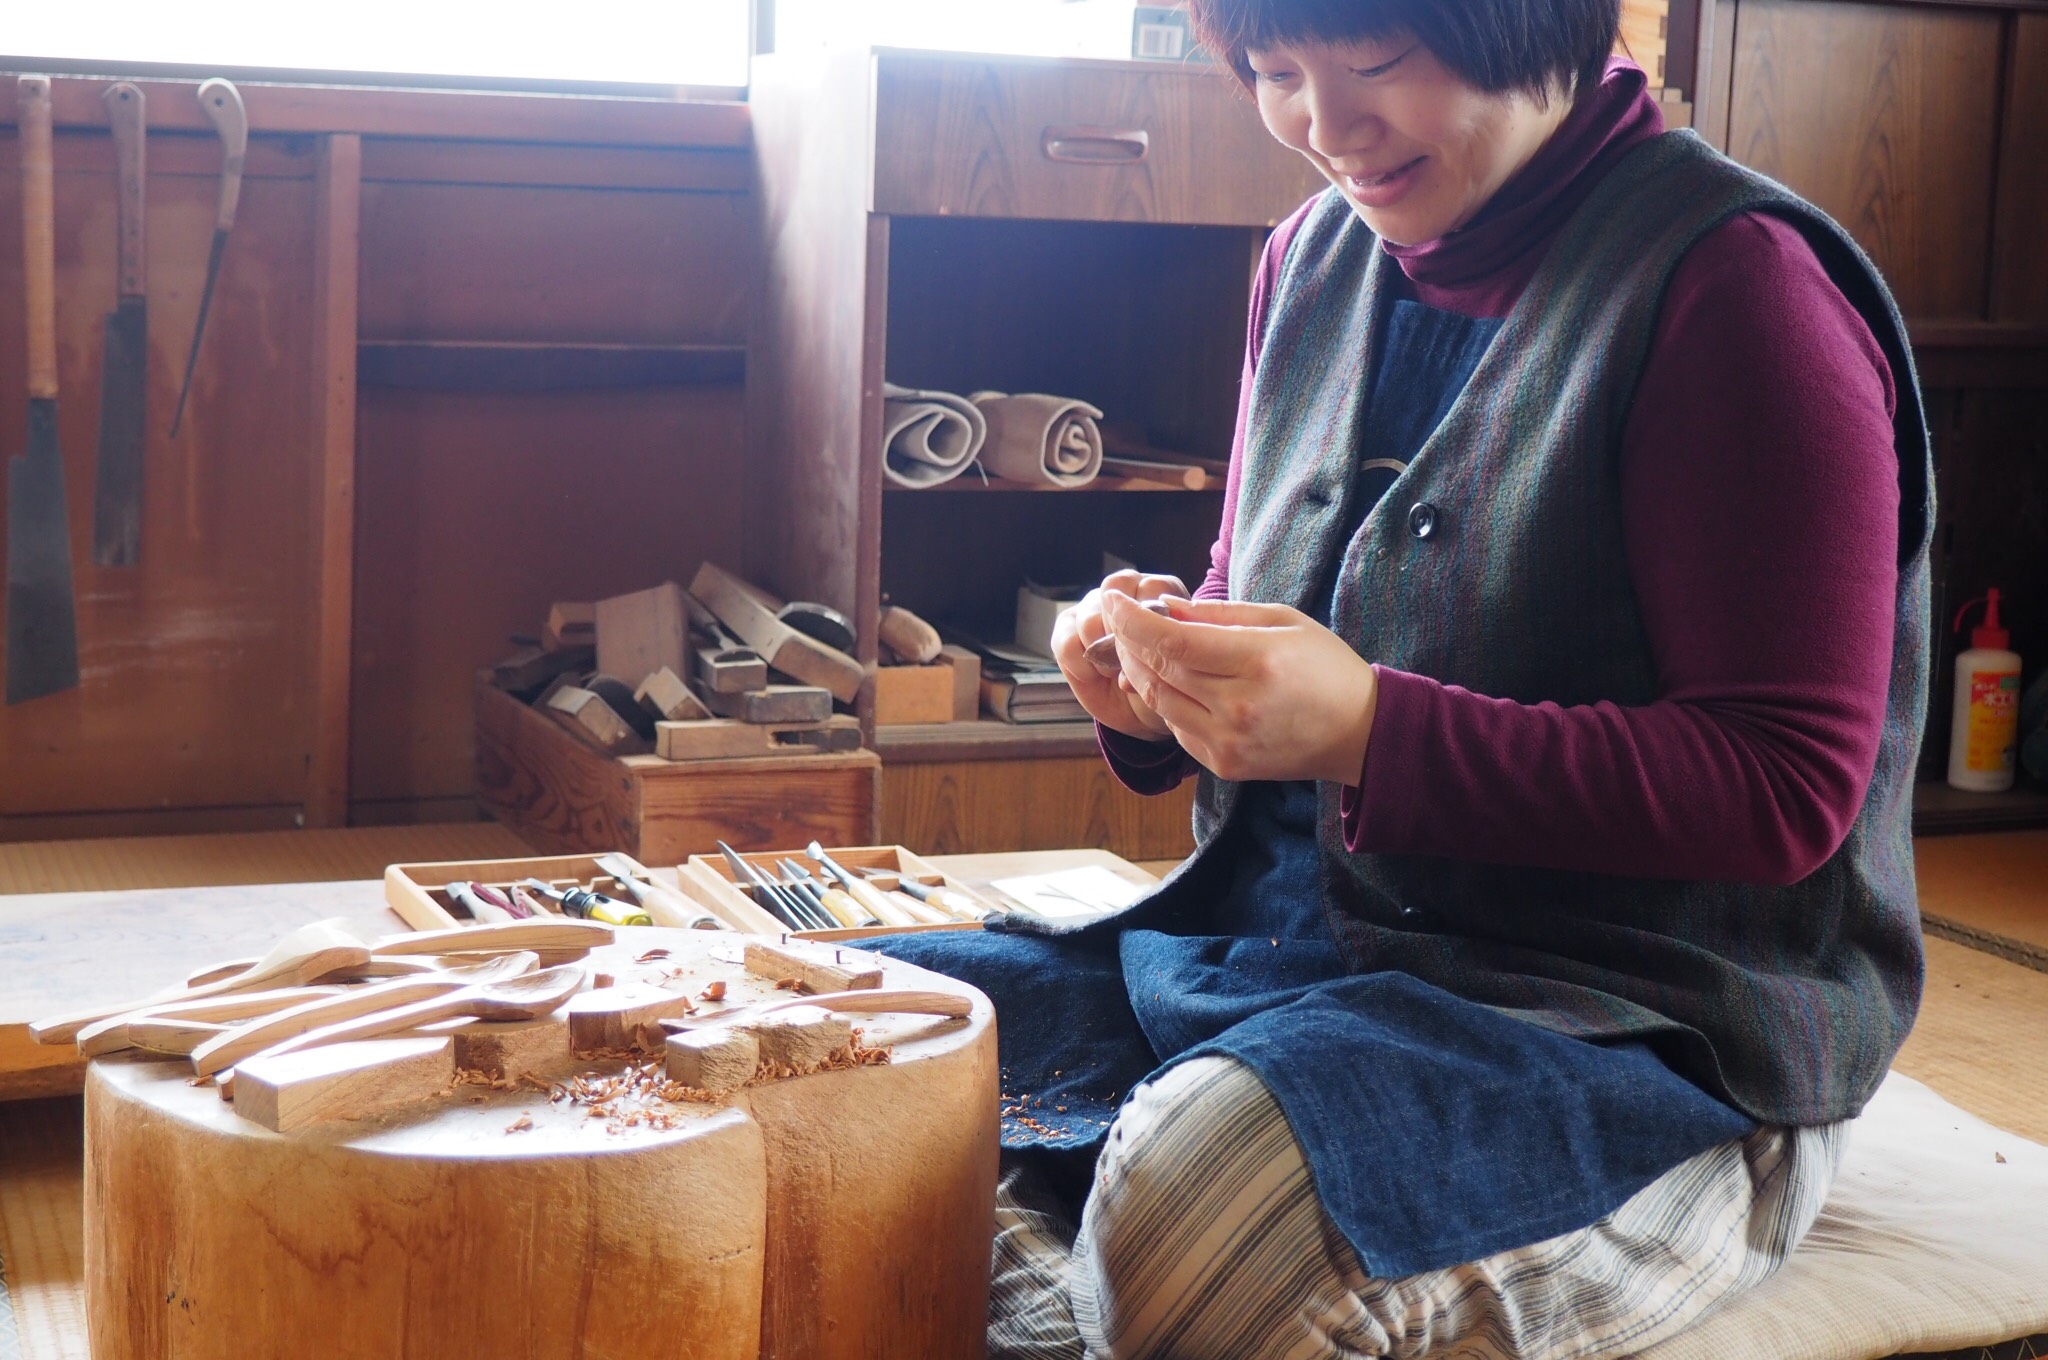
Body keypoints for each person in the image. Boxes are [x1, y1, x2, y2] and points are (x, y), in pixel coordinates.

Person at [876, 0, 1934, 1354]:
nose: (1325, 128)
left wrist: (1372, 731)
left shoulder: (1739, 291)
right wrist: (1156, 684)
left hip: (1628, 1027)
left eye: (1376, 64)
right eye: (1275, 73)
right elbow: (1274, 587)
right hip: (1278, 967)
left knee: (1182, 1197)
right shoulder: (1315, 254)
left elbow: (1787, 794)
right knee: (833, 1028)